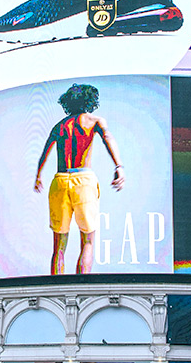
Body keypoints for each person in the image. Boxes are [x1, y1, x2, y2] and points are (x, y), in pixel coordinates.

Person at [34, 83, 125, 275]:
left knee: (58, 247)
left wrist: (38, 176)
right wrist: (119, 166)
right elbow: (108, 137)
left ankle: (55, 289)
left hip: (60, 180)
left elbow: (44, 153)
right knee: (88, 240)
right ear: (90, 100)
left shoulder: (59, 126)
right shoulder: (95, 120)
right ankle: (81, 285)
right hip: (83, 179)